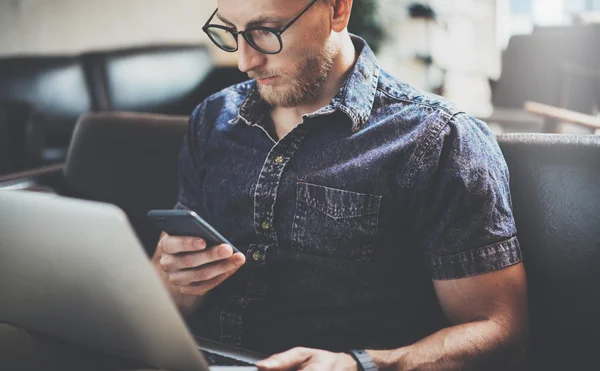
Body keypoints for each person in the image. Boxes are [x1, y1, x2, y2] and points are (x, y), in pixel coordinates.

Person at [152, 0, 529, 370]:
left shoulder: (439, 138)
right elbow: (171, 291)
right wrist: (177, 278)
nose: (245, 61)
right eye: (231, 32)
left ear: (337, 9)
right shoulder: (212, 119)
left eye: (265, 32)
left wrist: (364, 365)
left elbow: (499, 330)